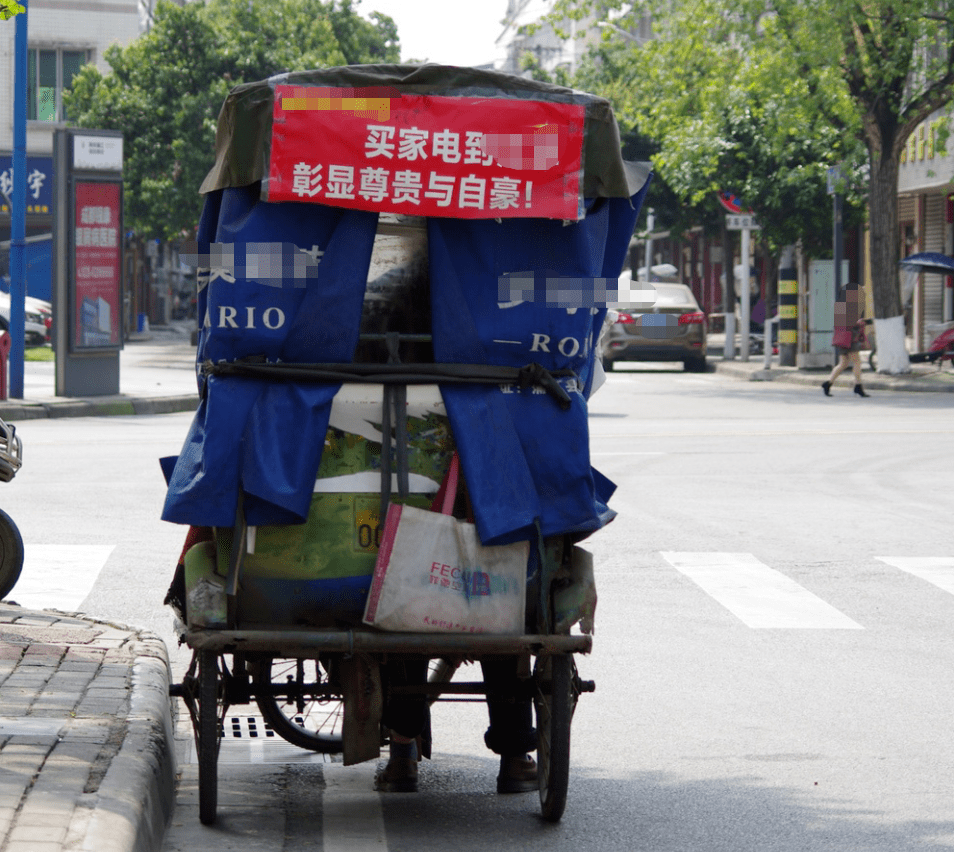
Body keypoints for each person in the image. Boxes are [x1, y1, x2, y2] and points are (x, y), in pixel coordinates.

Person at [822, 283, 871, 397]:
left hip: (842, 339)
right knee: (857, 362)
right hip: (850, 339)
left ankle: (828, 383)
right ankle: (858, 386)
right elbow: (851, 322)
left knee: (843, 363)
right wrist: (864, 322)